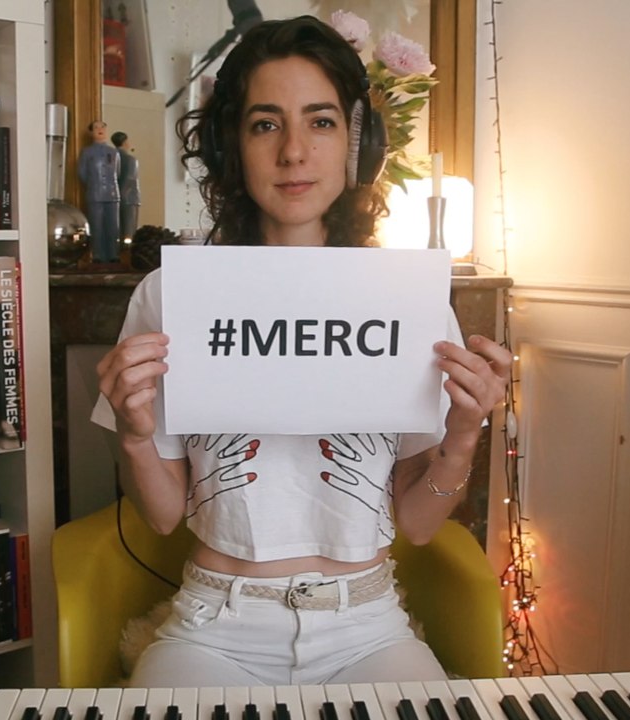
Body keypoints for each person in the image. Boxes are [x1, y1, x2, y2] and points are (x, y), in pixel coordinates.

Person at [91, 15, 510, 687]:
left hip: (367, 625)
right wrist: (136, 437)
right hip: (214, 626)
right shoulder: (171, 295)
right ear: (231, 146)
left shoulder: (406, 302)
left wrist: (463, 434)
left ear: (356, 143)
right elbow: (165, 516)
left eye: (320, 122)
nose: (293, 151)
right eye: (265, 124)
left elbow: (417, 524)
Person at [77, 119, 122, 262]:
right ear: (91, 132)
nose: (100, 129)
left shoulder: (113, 152)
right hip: (95, 194)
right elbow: (82, 173)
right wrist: (94, 184)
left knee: (113, 226)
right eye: (96, 127)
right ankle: (98, 255)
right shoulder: (87, 152)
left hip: (112, 194)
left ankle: (113, 254)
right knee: (96, 225)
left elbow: (118, 172)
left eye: (102, 127)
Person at [112, 130, 141, 242]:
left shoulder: (111, 159)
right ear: (124, 142)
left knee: (117, 228)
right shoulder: (131, 160)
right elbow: (130, 179)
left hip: (113, 197)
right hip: (130, 198)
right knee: (129, 229)